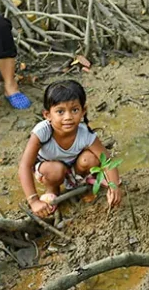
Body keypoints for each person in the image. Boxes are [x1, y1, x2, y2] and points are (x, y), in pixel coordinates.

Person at [18, 80, 123, 218]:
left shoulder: (85, 133)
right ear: (47, 115)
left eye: (74, 110)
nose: (68, 117)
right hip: (49, 169)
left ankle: (81, 181)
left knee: (90, 159)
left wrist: (114, 186)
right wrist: (34, 201)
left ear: (83, 111)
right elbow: (25, 166)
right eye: (60, 111)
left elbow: (106, 160)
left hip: (74, 167)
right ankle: (52, 189)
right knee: (55, 170)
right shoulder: (42, 132)